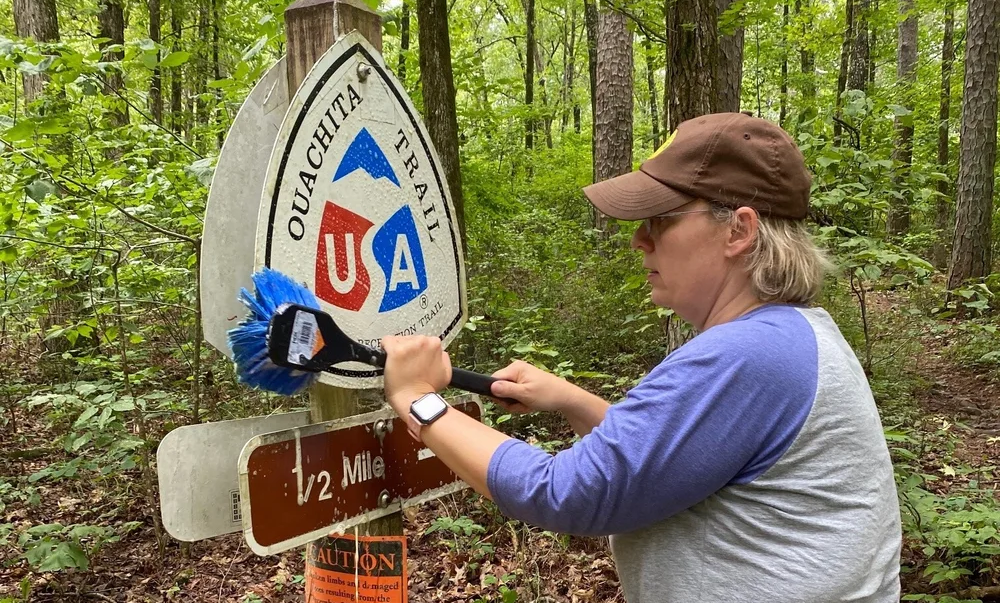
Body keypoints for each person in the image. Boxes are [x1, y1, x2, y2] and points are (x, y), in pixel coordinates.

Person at [381, 112, 901, 602]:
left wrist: (418, 400)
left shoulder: (747, 354)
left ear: (738, 230)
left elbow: (566, 493)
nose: (638, 240)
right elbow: (675, 457)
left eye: (659, 220)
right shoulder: (794, 334)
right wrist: (572, 400)